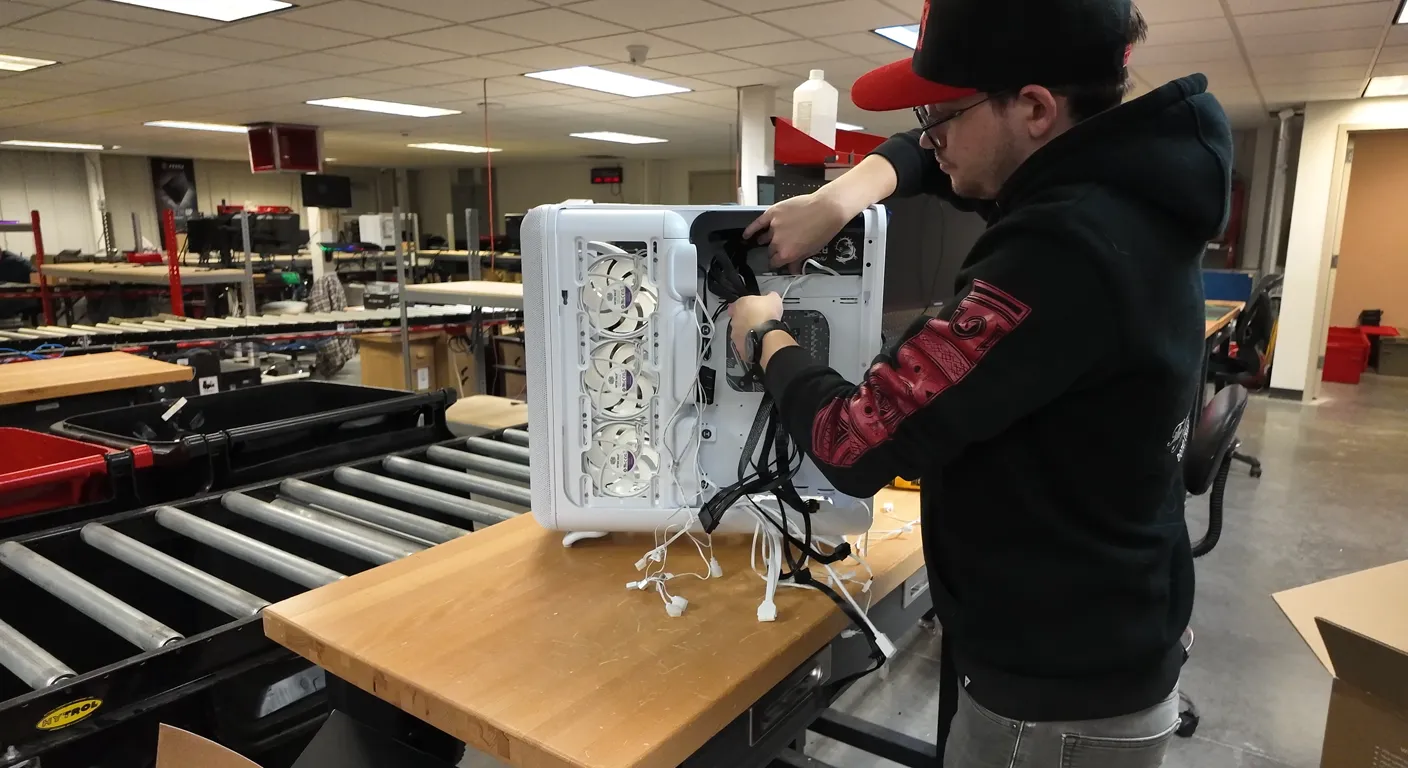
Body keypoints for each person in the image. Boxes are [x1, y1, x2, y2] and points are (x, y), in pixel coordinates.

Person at [727, 0, 1232, 765]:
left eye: (944, 112)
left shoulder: (1063, 245)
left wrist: (765, 335)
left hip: (1055, 700)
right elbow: (933, 157)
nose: (929, 137)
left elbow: (852, 440)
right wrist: (837, 199)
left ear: (1033, 107)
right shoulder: (1136, 182)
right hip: (1109, 633)